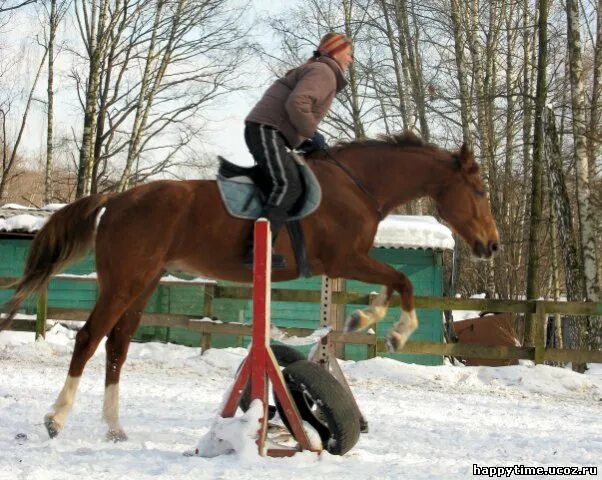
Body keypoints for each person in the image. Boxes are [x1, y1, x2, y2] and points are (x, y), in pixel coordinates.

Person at [243, 32, 353, 268]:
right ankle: (257, 249)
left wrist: (305, 140)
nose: (351, 60)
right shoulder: (324, 72)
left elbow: (294, 111)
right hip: (266, 130)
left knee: (291, 180)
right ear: (335, 52)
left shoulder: (320, 70)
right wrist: (312, 133)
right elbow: (297, 103)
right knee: (287, 184)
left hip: (271, 130)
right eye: (349, 54)